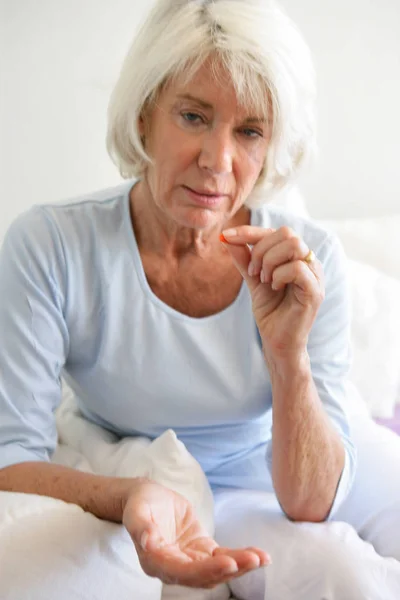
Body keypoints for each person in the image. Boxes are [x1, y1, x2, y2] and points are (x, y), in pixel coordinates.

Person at [1, 0, 400, 598]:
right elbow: (11, 462)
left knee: (351, 574)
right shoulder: (51, 244)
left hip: (281, 457)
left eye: (249, 131)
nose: (218, 161)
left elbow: (309, 500)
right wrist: (129, 496)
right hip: (133, 459)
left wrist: (287, 354)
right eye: (192, 116)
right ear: (143, 117)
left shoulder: (308, 260)